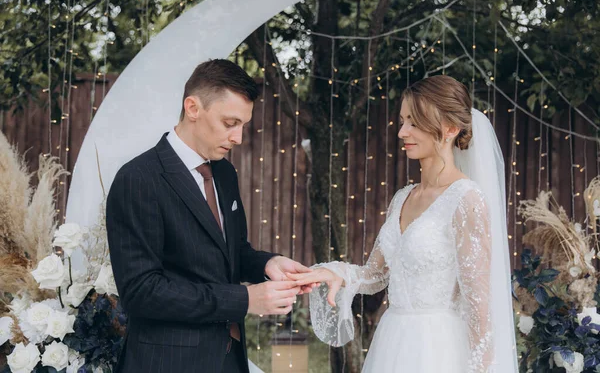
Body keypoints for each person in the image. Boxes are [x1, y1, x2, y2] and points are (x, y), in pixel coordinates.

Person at [288, 75, 518, 372]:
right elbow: (376, 274)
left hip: (438, 350)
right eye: (402, 121)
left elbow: (480, 307)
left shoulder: (466, 199)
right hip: (393, 343)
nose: (402, 132)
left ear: (450, 128)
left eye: (414, 122)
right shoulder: (402, 197)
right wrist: (335, 273)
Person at [106, 59, 312, 373]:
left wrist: (267, 264)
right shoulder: (138, 178)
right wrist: (244, 300)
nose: (238, 138)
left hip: (230, 358)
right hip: (167, 363)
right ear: (193, 108)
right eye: (230, 123)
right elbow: (142, 292)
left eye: (243, 124)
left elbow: (233, 252)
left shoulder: (225, 173)